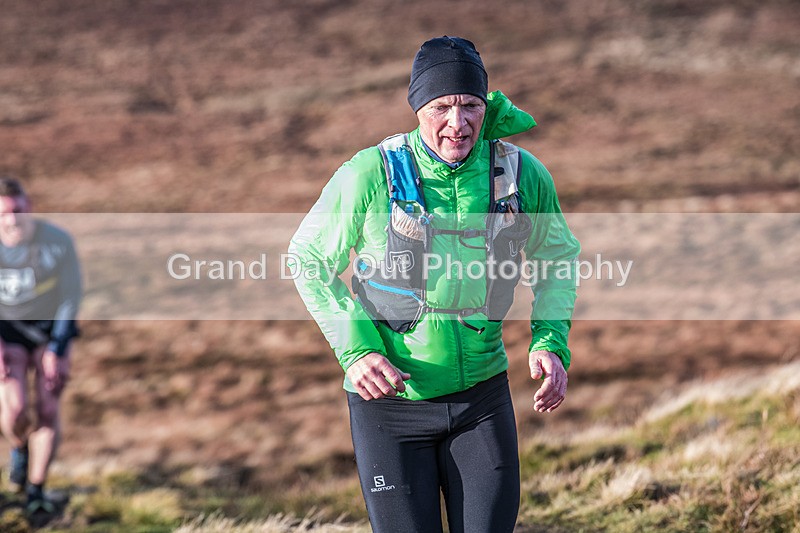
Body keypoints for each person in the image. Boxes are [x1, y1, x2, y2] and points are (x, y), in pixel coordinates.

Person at [289, 36, 579, 532]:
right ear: (417, 106)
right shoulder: (370, 175)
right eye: (441, 106)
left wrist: (550, 342)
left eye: (470, 106)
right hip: (390, 407)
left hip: (481, 400)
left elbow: (557, 257)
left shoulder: (519, 174)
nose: (457, 122)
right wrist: (356, 353)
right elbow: (309, 259)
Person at [0, 177, 81, 514]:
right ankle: (19, 447)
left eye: (17, 211)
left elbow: (70, 296)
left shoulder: (58, 242)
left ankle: (36, 491)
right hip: (7, 334)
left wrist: (58, 350)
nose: (12, 220)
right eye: (4, 213)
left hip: (49, 332)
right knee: (16, 409)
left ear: (28, 206)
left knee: (48, 410)